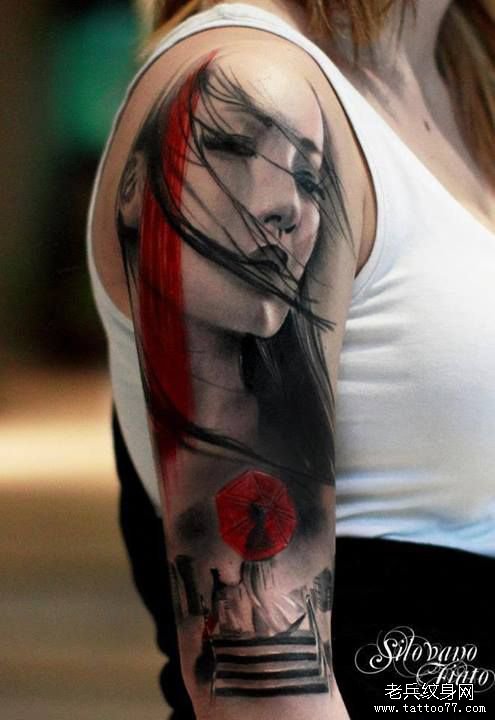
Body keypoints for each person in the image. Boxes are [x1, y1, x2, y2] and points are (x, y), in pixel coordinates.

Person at [87, 1, 495, 717]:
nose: (281, 209)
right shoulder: (254, 89)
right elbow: (260, 692)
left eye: (301, 184)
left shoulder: (461, 70)